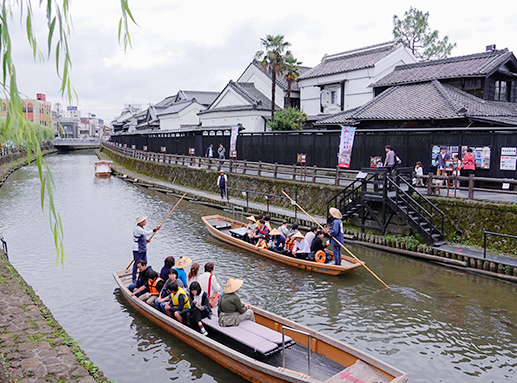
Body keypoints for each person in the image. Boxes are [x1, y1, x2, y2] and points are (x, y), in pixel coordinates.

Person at [132, 216, 161, 283]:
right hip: (138, 248)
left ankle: (144, 276)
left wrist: (145, 240)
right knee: (137, 263)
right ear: (140, 223)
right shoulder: (137, 229)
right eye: (144, 221)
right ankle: (134, 278)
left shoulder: (141, 228)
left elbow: (142, 235)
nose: (145, 222)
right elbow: (146, 233)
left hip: (143, 247)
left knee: (144, 262)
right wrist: (155, 229)